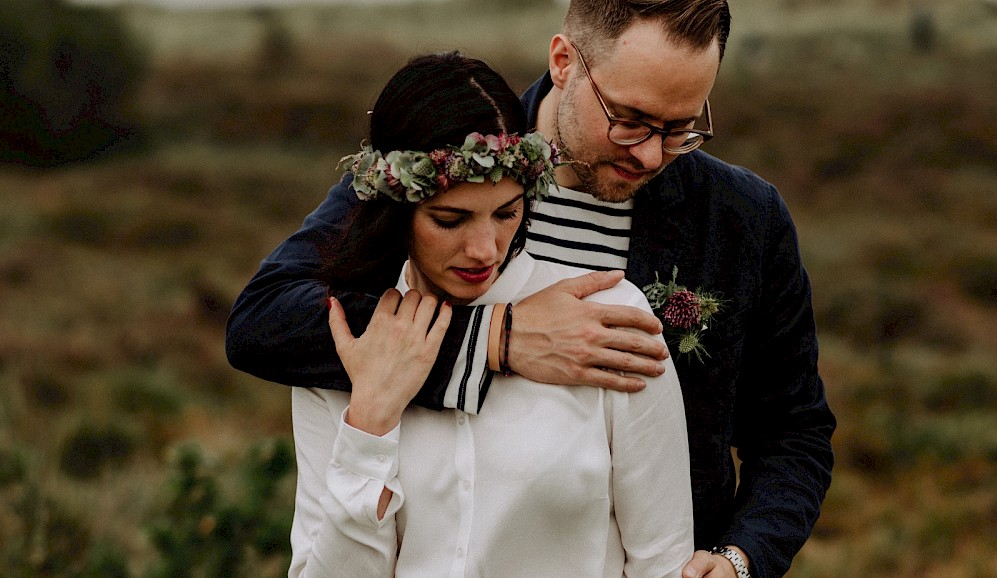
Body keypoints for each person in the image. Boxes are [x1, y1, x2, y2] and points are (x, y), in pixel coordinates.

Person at [228, 2, 836, 577]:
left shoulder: (741, 218)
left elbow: (794, 429)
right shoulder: (449, 153)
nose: (651, 154)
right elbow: (266, 319)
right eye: (629, 121)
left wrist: (740, 558)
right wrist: (498, 337)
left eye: (681, 128)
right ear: (564, 62)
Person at [286, 52, 694, 577]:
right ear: (397, 211)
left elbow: (663, 560)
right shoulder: (348, 343)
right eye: (450, 219)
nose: (484, 249)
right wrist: (370, 424)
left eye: (506, 213)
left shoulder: (611, 320)